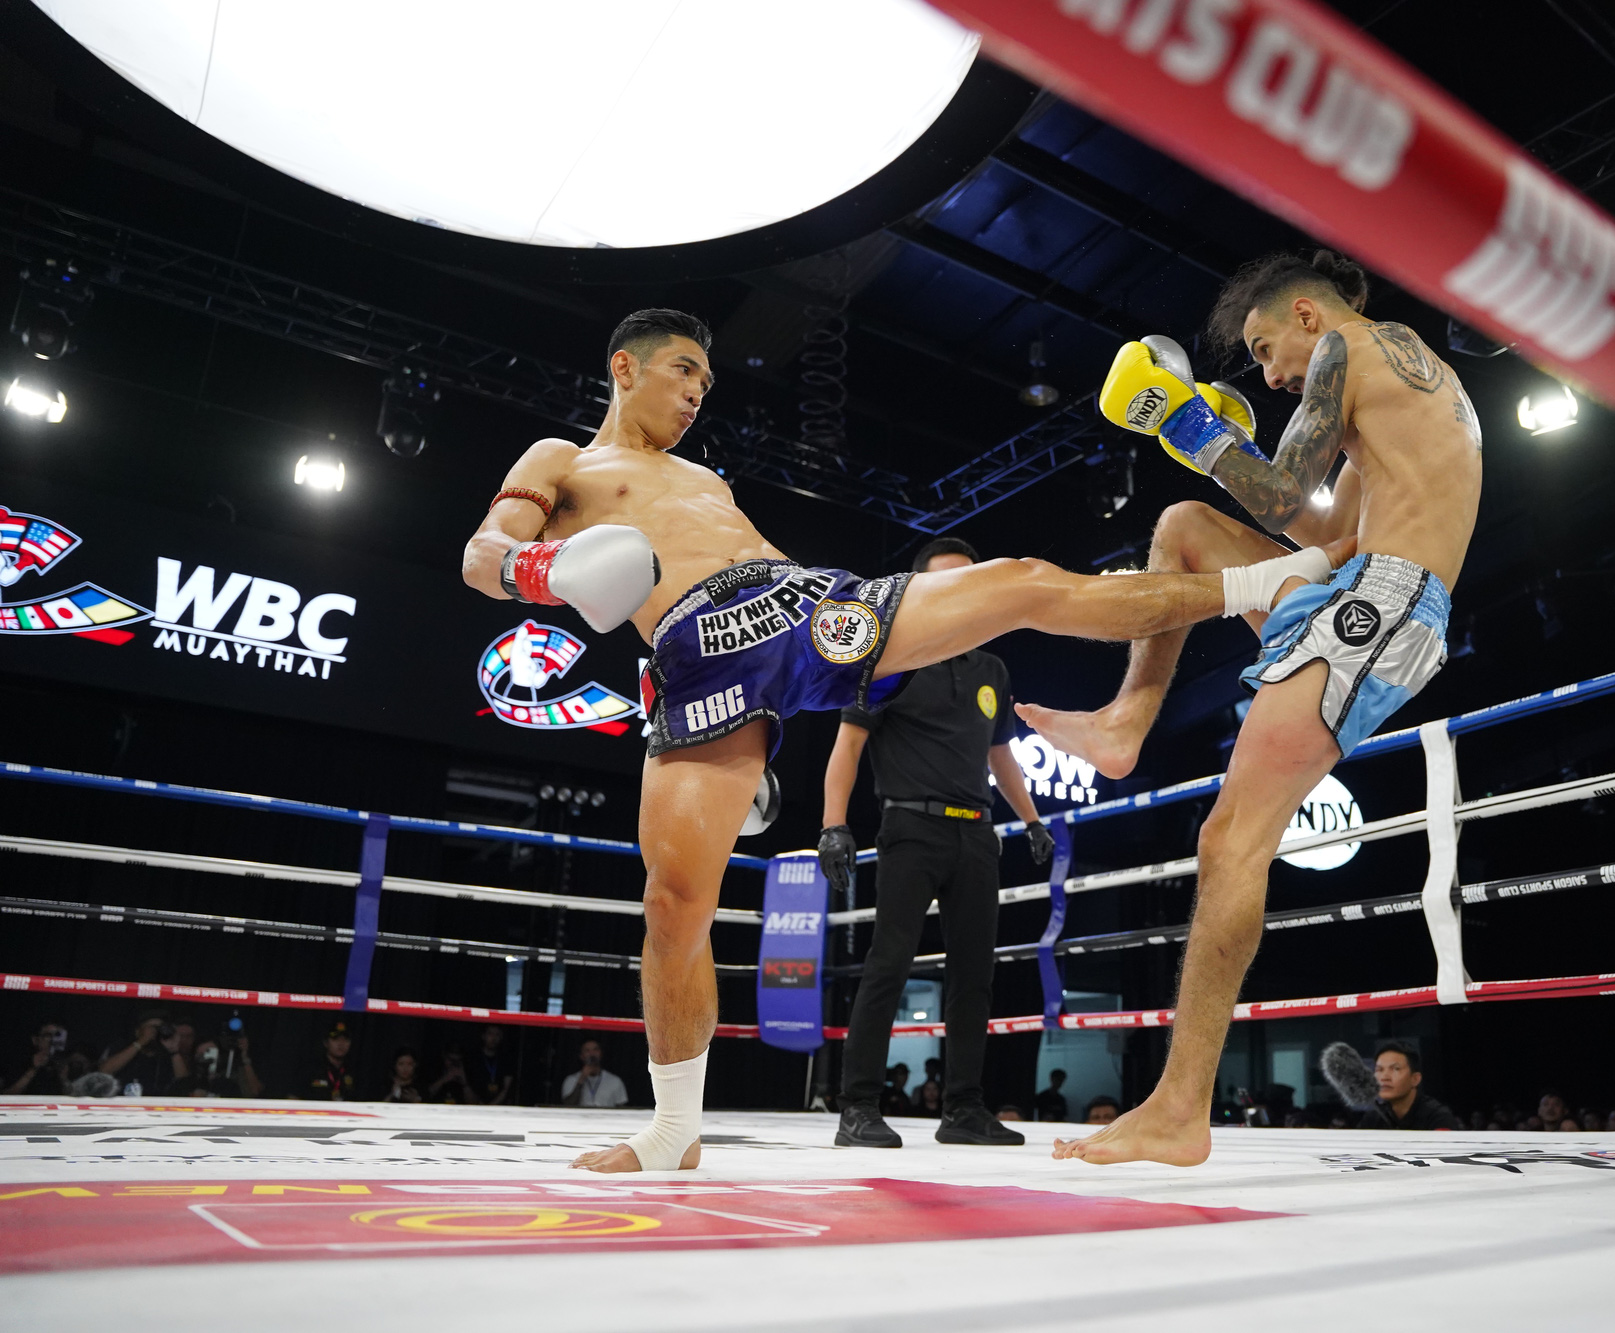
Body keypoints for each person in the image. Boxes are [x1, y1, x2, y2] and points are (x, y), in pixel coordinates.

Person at [461, 310, 1322, 1175]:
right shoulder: (562, 461)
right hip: (697, 655)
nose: (695, 394)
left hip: (803, 606)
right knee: (673, 906)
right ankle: (673, 1130)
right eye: (684, 371)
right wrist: (540, 569)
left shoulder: (704, 479)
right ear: (624, 367)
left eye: (705, 384)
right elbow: (482, 552)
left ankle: (1261, 579)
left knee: (1019, 582)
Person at [1043, 251, 1481, 1166]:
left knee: (1230, 838)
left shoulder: (1351, 352)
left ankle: (1179, 1109)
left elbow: (1286, 494)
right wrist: (1212, 449)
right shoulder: (1405, 382)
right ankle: (1127, 721)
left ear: (1309, 316)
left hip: (1384, 602)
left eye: (1266, 346)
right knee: (1182, 530)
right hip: (1365, 578)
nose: (1273, 373)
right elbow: (1321, 530)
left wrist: (1189, 422)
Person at [822, 538, 1048, 1151]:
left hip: (976, 832)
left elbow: (1001, 755)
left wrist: (1031, 819)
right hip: (910, 830)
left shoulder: (992, 671)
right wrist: (833, 824)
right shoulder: (891, 660)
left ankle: (964, 1110)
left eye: (968, 581)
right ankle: (858, 1108)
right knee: (887, 966)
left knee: (975, 975)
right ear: (918, 590)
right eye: (945, 582)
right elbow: (847, 746)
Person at [1353, 1041, 1461, 1131]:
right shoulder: (1373, 1118)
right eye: (1379, 1070)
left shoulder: (1438, 1118)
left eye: (1395, 1069)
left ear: (1415, 1079)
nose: (1384, 1077)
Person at [98, 1014, 183, 1096]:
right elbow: (105, 1070)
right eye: (152, 1027)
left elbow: (184, 1083)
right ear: (138, 1031)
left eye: (160, 1028)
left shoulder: (166, 1053)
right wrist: (141, 1041)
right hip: (122, 1102)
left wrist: (174, 1050)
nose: (156, 1032)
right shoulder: (122, 1046)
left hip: (157, 1106)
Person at [6, 1022, 69, 1095]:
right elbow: (7, 1095)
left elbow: (74, 1097)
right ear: (35, 1040)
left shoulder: (63, 1063)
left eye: (57, 1035)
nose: (53, 1040)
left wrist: (63, 1078)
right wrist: (33, 1070)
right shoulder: (19, 1063)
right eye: (48, 1035)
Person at [561, 1040, 630, 1108]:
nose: (592, 1054)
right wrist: (581, 1080)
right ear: (581, 1056)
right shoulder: (571, 1080)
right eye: (587, 1050)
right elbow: (568, 1105)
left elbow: (621, 1109)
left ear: (601, 1054)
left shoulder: (615, 1081)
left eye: (595, 1049)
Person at [302, 1023, 358, 1101]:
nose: (341, 1044)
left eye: (345, 1039)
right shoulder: (311, 1068)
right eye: (335, 1039)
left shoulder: (355, 1070)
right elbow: (293, 1098)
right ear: (326, 1043)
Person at [469, 1024, 515, 1105]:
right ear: (483, 1036)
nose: (494, 1038)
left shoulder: (506, 1059)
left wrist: (489, 1108)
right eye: (490, 1034)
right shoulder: (473, 1058)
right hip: (476, 1106)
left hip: (499, 1107)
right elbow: (469, 1085)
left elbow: (506, 1089)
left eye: (497, 1034)